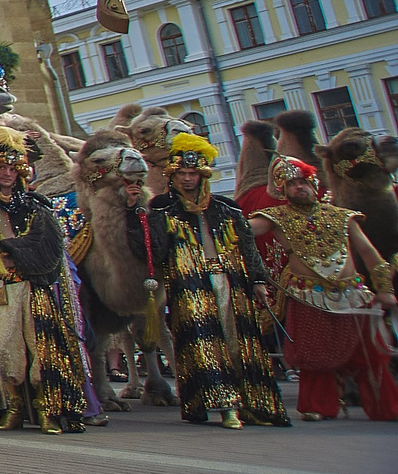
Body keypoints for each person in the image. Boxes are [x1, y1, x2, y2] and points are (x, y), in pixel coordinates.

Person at [146, 134, 287, 428]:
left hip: (232, 281)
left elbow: (248, 248)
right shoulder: (161, 208)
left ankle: (251, 403)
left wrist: (259, 281)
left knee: (240, 342)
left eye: (193, 174)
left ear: (203, 175)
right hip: (189, 286)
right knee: (204, 343)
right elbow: (158, 252)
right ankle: (225, 406)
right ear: (172, 175)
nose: (188, 180)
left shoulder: (226, 207)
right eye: (182, 174)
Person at [247, 156, 398, 421]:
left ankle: (385, 406)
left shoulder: (342, 215)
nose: (298, 187)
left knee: (370, 355)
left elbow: (369, 253)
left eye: (302, 182)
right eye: (291, 184)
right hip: (307, 295)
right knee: (313, 354)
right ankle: (318, 405)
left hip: (353, 293)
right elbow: (244, 231)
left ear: (313, 182)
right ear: (282, 190)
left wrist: (385, 289)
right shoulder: (275, 216)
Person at [0, 127, 89, 434]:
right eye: (0, 167)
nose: (7, 173)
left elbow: (47, 248)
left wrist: (7, 249)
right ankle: (11, 405)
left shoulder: (37, 206)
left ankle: (47, 406)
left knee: (41, 347)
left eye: (13, 168)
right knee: (3, 348)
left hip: (32, 288)